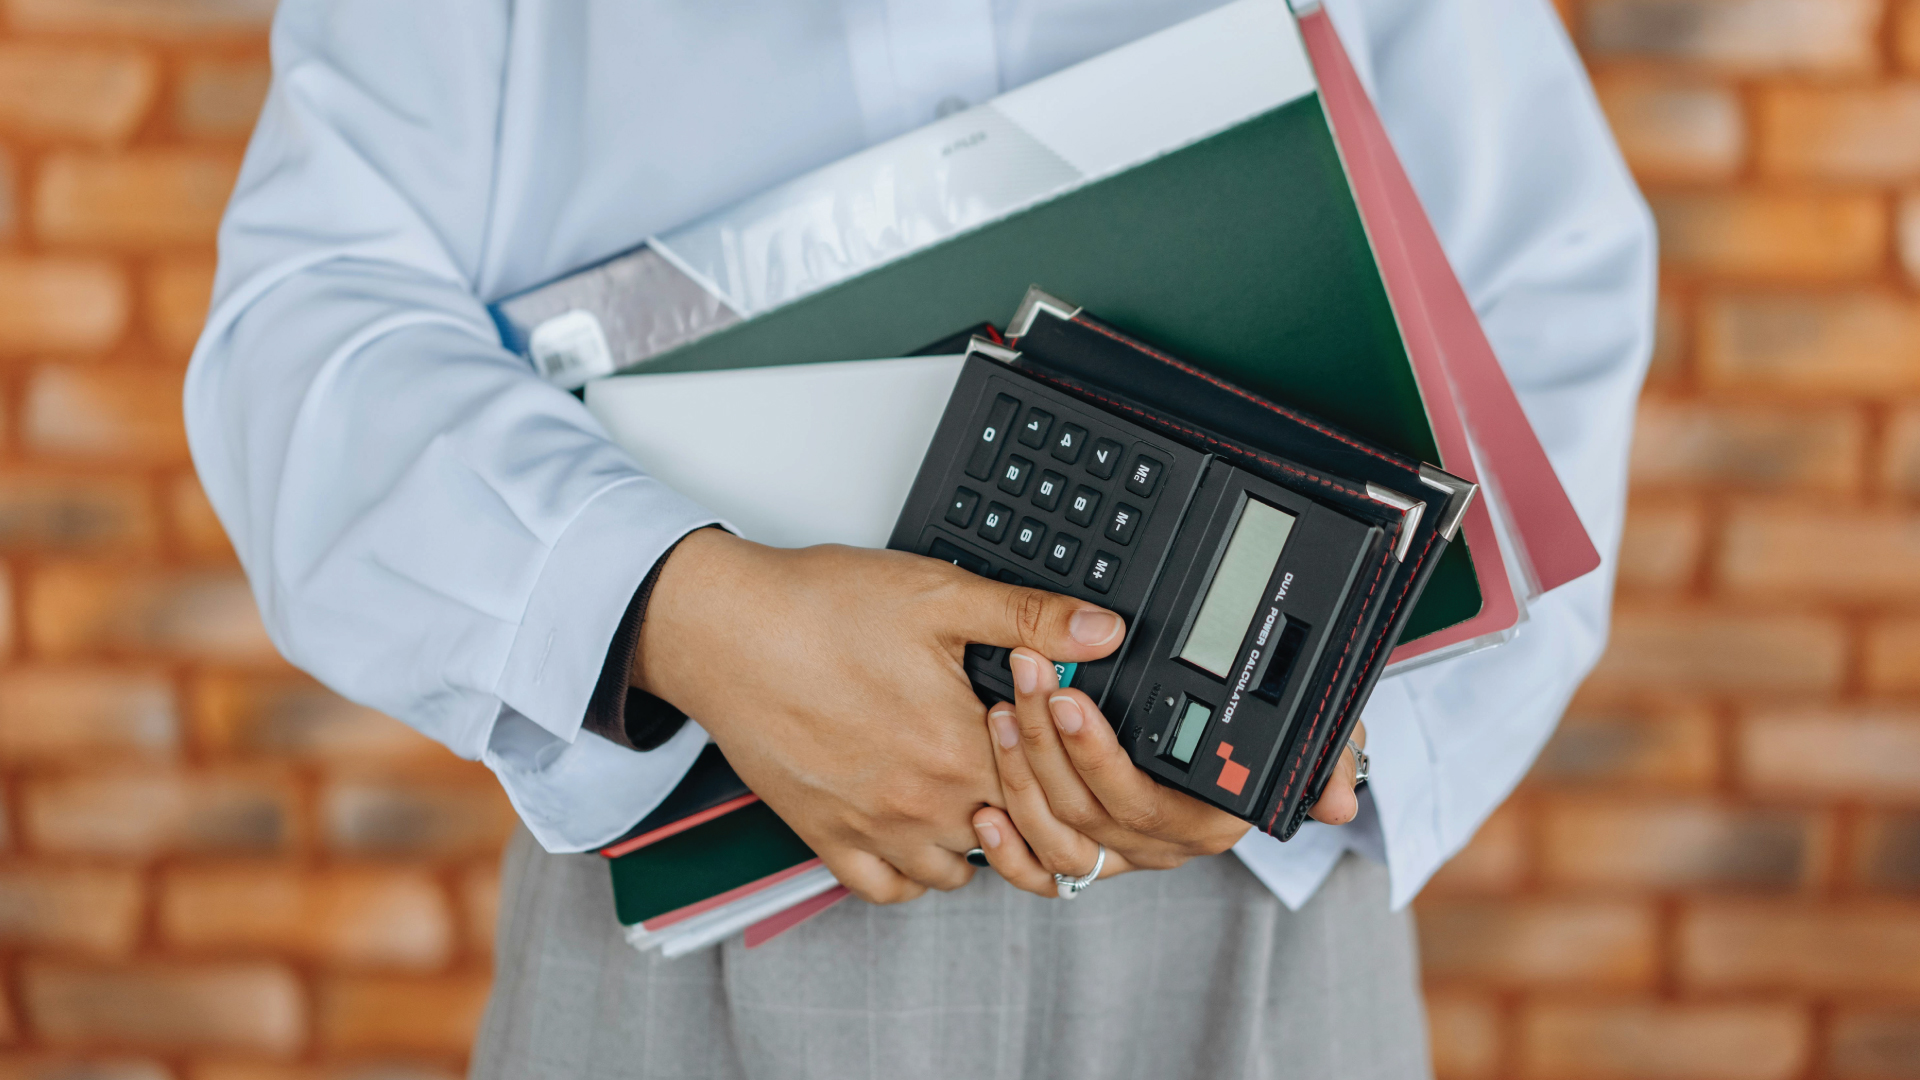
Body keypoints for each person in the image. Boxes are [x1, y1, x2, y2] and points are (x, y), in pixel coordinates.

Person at [184, 0, 1653, 1076]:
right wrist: (668, 608)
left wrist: (1334, 737)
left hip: (1241, 902)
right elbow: (306, 329)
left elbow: (1544, 279)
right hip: (697, 872)